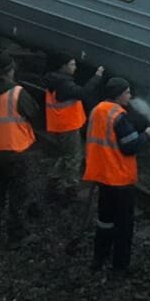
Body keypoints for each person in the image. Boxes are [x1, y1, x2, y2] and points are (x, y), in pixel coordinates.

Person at [82, 77, 150, 276]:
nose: (130, 96)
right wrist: (147, 135)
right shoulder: (119, 116)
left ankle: (98, 259)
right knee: (124, 225)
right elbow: (130, 146)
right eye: (127, 92)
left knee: (104, 221)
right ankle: (119, 267)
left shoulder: (97, 110)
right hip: (119, 179)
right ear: (119, 94)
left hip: (102, 175)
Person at [0, 52, 39, 248]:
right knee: (18, 195)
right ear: (11, 71)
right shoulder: (18, 93)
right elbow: (34, 113)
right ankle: (16, 236)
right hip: (16, 152)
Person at [44, 52, 104, 204]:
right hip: (67, 126)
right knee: (73, 157)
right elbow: (83, 93)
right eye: (72, 64)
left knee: (66, 155)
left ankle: (53, 183)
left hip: (59, 124)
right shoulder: (64, 85)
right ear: (63, 67)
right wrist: (97, 76)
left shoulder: (55, 80)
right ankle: (69, 190)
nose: (75, 67)